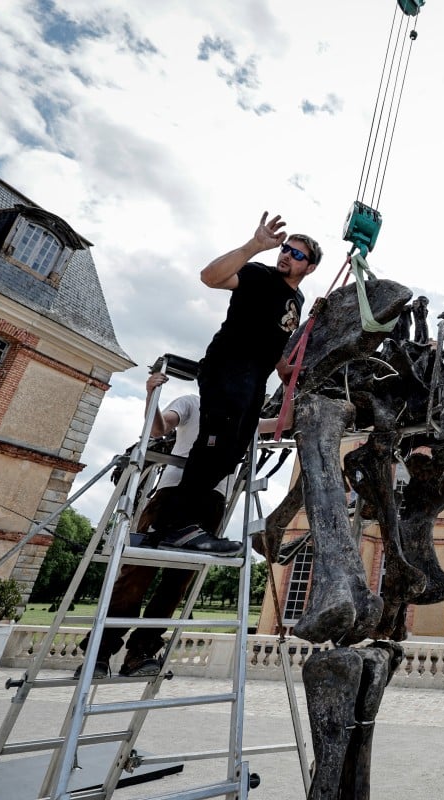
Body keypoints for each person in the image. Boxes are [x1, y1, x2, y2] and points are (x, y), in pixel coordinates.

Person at [79, 371, 291, 678]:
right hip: (171, 496)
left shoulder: (246, 419)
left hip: (212, 505)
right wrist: (152, 395)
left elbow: (285, 424)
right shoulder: (192, 403)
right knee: (136, 576)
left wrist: (290, 383)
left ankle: (140, 654)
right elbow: (159, 427)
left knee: (176, 586)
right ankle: (99, 652)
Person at [150, 212, 319, 552]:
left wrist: (285, 368)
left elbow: (272, 340)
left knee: (232, 452)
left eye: (297, 254)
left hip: (255, 378)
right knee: (218, 440)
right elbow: (209, 277)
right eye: (286, 248)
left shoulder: (296, 301)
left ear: (310, 267)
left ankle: (186, 525)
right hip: (228, 367)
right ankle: (174, 526)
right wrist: (254, 245)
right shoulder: (259, 275)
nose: (286, 254)